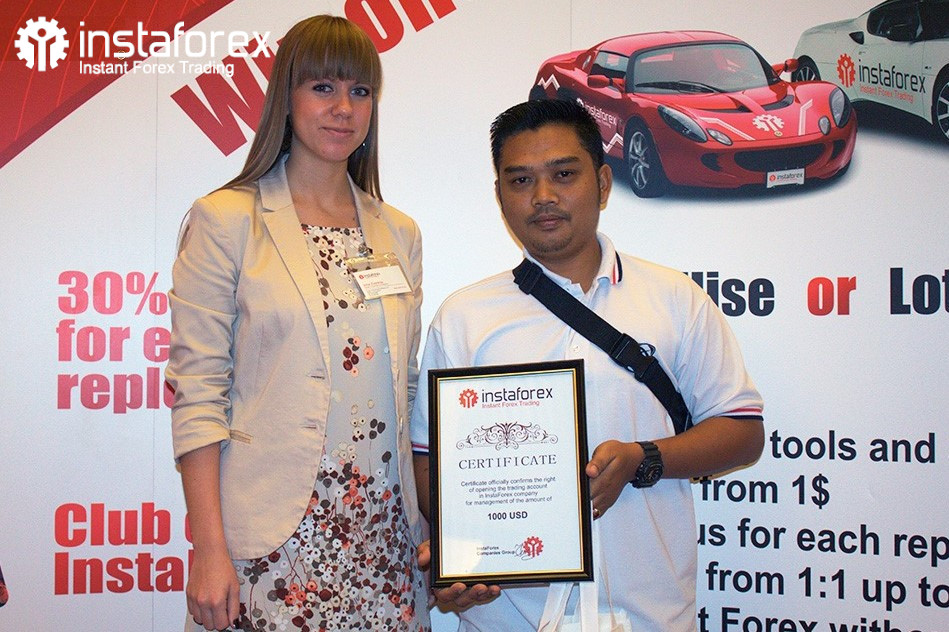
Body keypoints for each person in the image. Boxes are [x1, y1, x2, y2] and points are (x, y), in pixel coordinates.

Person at [410, 99, 764, 631]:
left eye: (563, 174)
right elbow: (428, 461)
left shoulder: (674, 299)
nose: (543, 196)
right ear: (500, 196)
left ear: (602, 183)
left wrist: (643, 458)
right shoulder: (464, 318)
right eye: (521, 180)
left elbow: (742, 432)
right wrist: (459, 553)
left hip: (648, 616)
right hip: (510, 618)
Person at [166, 15, 429, 632]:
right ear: (286, 97)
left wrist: (441, 523)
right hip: (270, 546)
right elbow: (198, 394)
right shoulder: (226, 219)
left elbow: (408, 391)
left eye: (360, 91)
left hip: (384, 543)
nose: (343, 108)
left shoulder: (399, 233)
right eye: (323, 88)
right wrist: (209, 549)